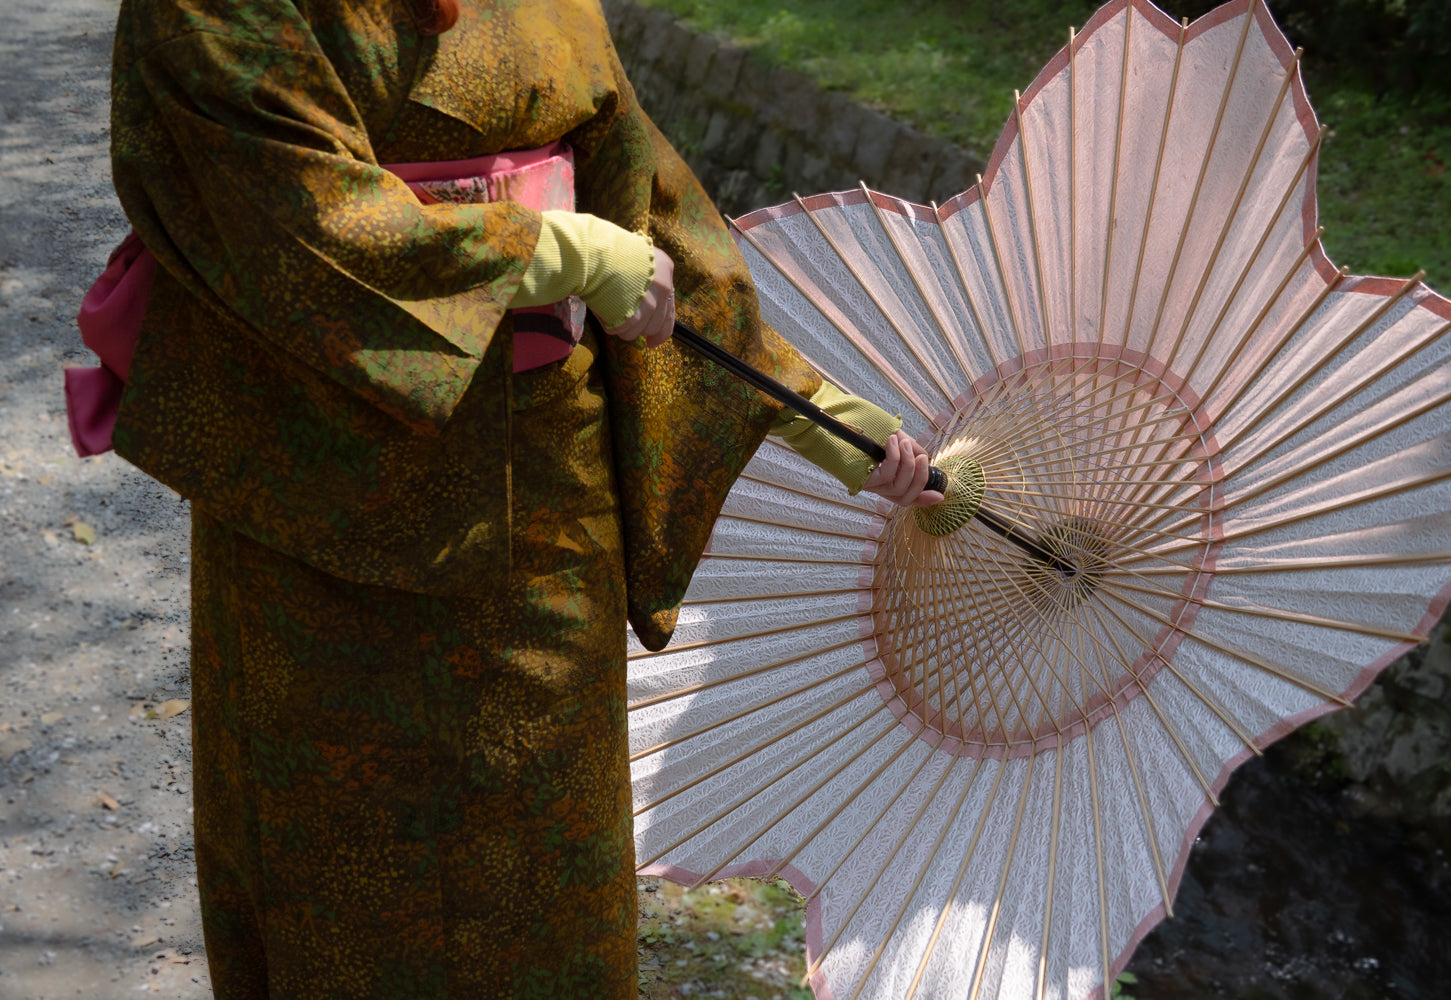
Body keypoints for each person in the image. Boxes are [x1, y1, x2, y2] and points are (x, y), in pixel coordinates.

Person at [104, 0, 940, 996]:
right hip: (325, 517)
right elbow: (295, 212)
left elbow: (647, 194)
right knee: (348, 887)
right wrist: (560, 253)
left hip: (552, 492)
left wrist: (821, 414)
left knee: (553, 882)